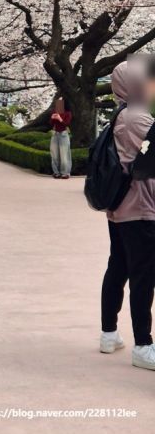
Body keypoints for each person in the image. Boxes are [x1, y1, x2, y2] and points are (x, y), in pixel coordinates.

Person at [101, 58, 155, 369]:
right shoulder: (136, 118)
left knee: (118, 268)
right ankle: (144, 345)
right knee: (143, 276)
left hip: (121, 207)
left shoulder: (120, 114)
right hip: (141, 209)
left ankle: (109, 334)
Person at [50, 97, 73, 179]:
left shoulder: (68, 113)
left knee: (64, 154)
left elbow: (67, 123)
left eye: (61, 102)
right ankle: (56, 172)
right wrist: (52, 118)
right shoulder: (55, 112)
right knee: (54, 153)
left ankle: (65, 172)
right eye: (58, 102)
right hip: (55, 133)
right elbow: (51, 124)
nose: (59, 103)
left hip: (63, 134)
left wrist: (60, 119)